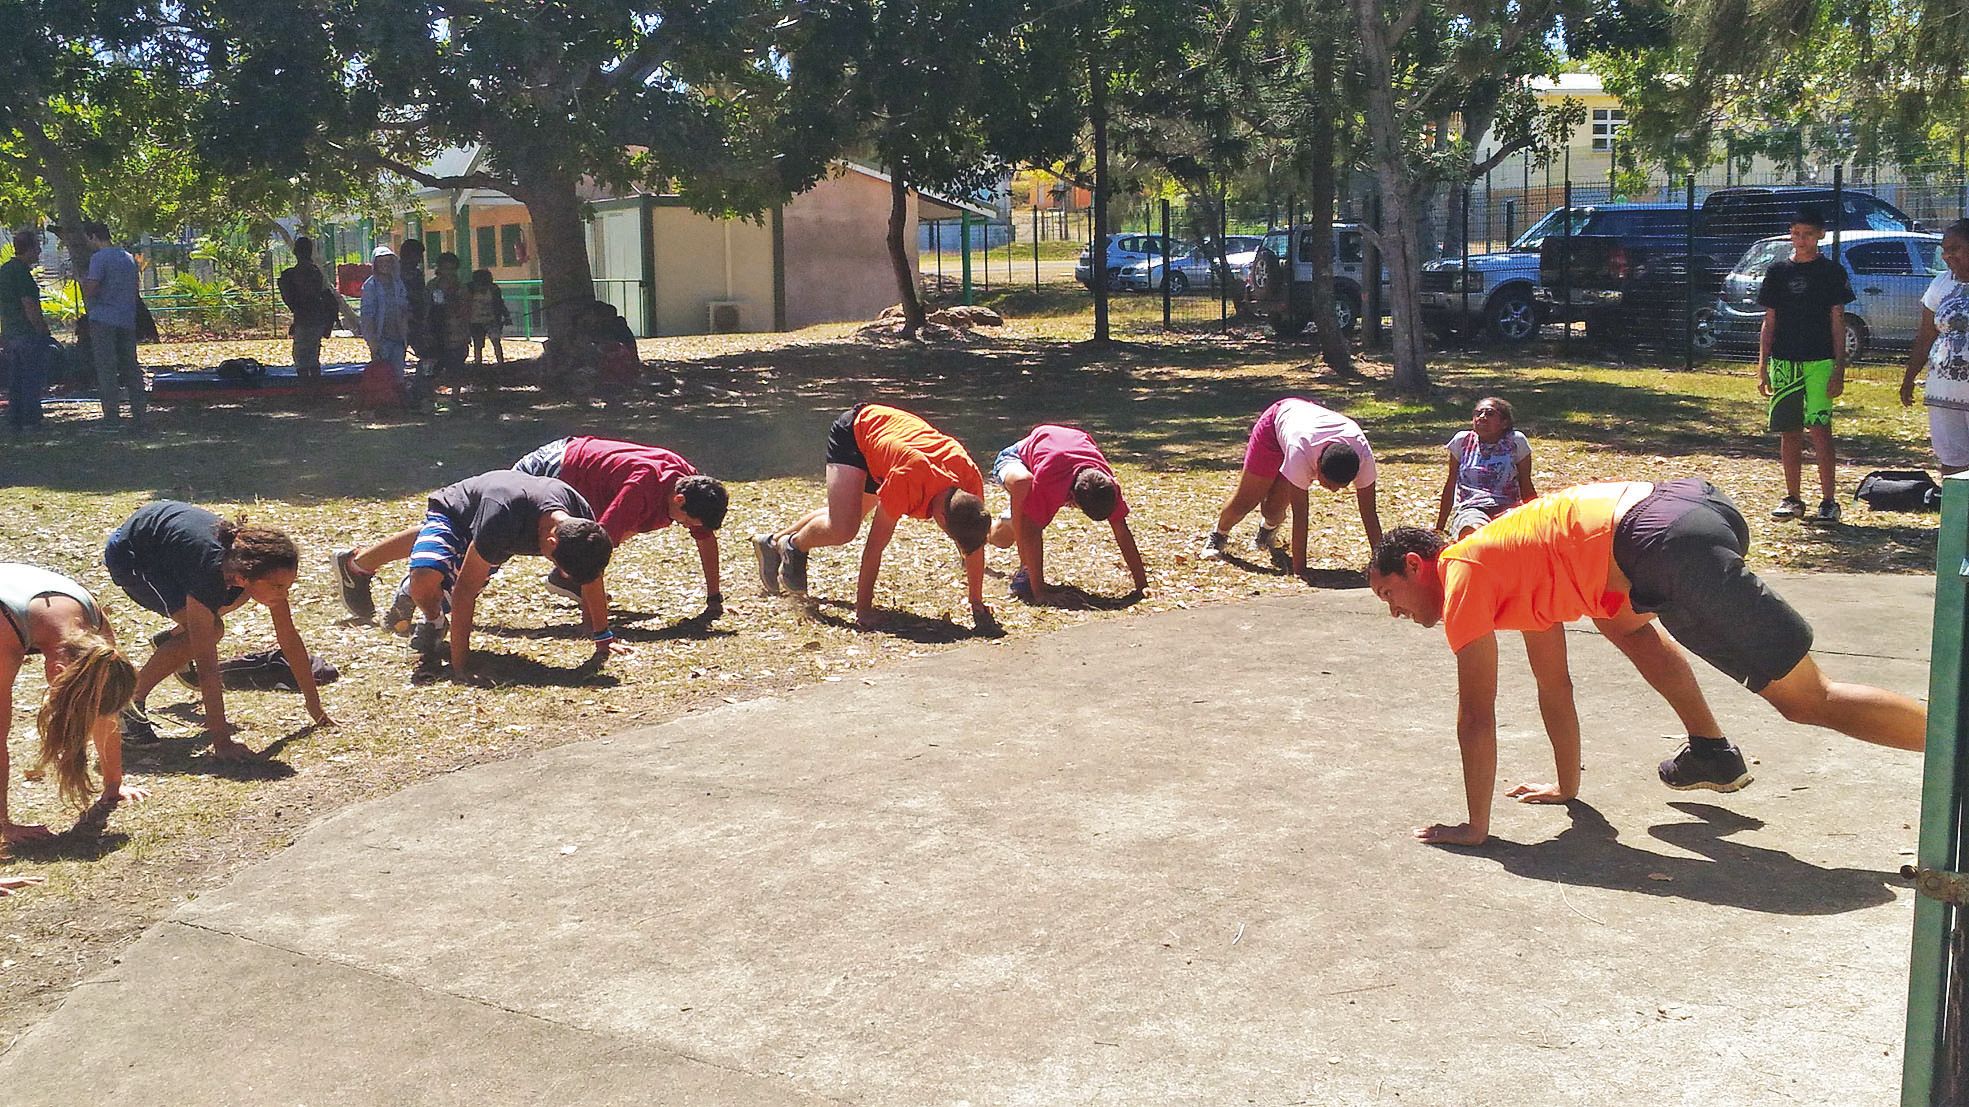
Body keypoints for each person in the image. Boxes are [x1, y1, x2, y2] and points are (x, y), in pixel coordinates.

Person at [1365, 480, 1926, 848]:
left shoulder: (1463, 574)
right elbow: (1554, 686)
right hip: (1685, 513)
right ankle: (1711, 751)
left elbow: (1475, 716)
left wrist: (1475, 827)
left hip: (1660, 539)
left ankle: (1952, 749)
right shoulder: (1512, 565)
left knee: (1808, 700)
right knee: (1630, 629)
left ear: (1415, 566)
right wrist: (1565, 787)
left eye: (1389, 594)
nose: (1394, 612)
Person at [332, 471, 616, 683]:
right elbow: (465, 591)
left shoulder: (582, 523)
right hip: (456, 514)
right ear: (551, 543)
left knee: (438, 575)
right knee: (425, 575)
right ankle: (433, 619)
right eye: (556, 563)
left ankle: (403, 581)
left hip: (493, 527)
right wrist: (461, 665)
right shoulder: (503, 518)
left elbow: (592, 577)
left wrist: (603, 637)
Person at [105, 502, 333, 758]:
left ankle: (175, 642)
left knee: (211, 620)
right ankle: (128, 704)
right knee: (211, 630)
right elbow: (207, 669)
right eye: (278, 587)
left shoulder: (250, 566)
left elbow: (288, 637)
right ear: (244, 577)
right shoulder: (211, 572)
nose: (284, 594)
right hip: (133, 553)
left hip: (171, 547)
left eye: (287, 586)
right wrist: (222, 742)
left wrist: (314, 705)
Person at [751, 402, 995, 631]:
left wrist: (976, 602)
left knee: (846, 513)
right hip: (856, 434)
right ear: (941, 517)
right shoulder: (908, 479)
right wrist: (864, 611)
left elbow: (973, 544)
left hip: (887, 447)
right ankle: (792, 546)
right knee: (843, 529)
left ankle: (770, 543)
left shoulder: (969, 480)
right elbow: (875, 547)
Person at [495, 435, 727, 615]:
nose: (687, 526)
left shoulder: (689, 484)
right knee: (504, 533)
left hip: (585, 480)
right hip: (551, 467)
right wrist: (597, 627)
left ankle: (566, 577)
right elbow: (595, 547)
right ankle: (474, 583)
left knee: (615, 531)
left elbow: (705, 537)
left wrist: (714, 599)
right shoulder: (640, 489)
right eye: (687, 521)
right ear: (679, 500)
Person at [0, 564, 148, 845]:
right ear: (57, 671)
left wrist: (113, 785)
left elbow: (106, 711)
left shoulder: (99, 641)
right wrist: (3, 825)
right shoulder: (5, 635)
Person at [1200, 396, 1383, 573]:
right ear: (1317, 465)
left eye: (1341, 486)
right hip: (1274, 429)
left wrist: (1382, 566)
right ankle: (1219, 535)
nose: (1334, 491)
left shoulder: (1363, 456)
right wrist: (1300, 571)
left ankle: (1266, 531)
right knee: (1245, 501)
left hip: (1303, 427)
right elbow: (1300, 514)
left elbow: (1369, 512)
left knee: (1272, 510)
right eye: (1328, 484)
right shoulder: (1300, 452)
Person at [1757, 207, 1855, 524]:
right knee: (1789, 430)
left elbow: (1837, 321)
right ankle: (1793, 498)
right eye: (1796, 234)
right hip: (1784, 361)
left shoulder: (1831, 272)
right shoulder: (1777, 272)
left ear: (1820, 235)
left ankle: (1828, 501)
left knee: (1820, 428)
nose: (1802, 240)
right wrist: (1763, 365)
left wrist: (1839, 368)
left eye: (1808, 234)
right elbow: (1769, 321)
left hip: (1820, 361)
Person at [984, 423, 1148, 602]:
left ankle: (986, 533)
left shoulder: (1105, 483)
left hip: (1051, 460)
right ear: (1072, 499)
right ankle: (1020, 566)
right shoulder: (1052, 476)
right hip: (1017, 460)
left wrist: (1142, 586)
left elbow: (1122, 531)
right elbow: (1031, 531)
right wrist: (1040, 592)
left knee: (1006, 534)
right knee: (1023, 485)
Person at [1902, 218, 1969, 475]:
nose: (1947, 256)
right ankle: (1953, 502)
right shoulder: (1941, 283)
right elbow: (1925, 335)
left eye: (1955, 248)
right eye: (1944, 250)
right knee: (1953, 460)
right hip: (1945, 393)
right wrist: (1909, 378)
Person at [1434, 397, 1537, 539]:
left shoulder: (1516, 441)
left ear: (1504, 423)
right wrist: (1439, 528)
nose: (1482, 417)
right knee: (1475, 532)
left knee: (1510, 535)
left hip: (1507, 507)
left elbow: (1525, 483)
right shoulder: (1462, 441)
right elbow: (1451, 483)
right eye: (1478, 413)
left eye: (1489, 413)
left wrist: (1535, 518)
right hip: (1472, 508)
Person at [80, 222, 145, 433]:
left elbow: (91, 288)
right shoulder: (128, 258)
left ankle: (112, 416)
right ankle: (139, 413)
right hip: (126, 318)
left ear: (93, 237)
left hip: (104, 319)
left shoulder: (99, 258)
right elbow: (135, 288)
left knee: (107, 368)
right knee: (130, 366)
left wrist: (82, 280)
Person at [1, 229, 55, 435]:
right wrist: (41, 328)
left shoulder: (4, 271)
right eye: (37, 247)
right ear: (29, 249)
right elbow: (28, 304)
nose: (39, 252)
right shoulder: (21, 273)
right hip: (26, 333)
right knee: (31, 378)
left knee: (15, 380)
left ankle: (15, 419)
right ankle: (31, 420)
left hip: (10, 332)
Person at [277, 236, 341, 384]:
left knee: (301, 355)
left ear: (295, 252)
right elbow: (328, 296)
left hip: (305, 317)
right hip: (317, 317)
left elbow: (292, 299)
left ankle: (306, 387)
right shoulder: (315, 272)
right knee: (312, 353)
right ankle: (314, 386)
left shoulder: (292, 274)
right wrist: (331, 319)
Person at [424, 252, 472, 408]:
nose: (448, 272)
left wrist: (466, 332)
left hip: (457, 333)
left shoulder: (461, 288)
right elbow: (426, 309)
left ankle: (455, 397)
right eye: (445, 268)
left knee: (456, 367)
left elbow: (466, 311)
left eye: (452, 269)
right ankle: (431, 398)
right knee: (433, 367)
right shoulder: (432, 286)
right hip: (435, 332)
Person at [360, 245, 410, 392]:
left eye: (388, 261)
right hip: (380, 338)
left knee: (398, 374)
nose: (385, 265)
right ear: (375, 264)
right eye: (381, 262)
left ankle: (398, 401)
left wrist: (405, 332)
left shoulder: (398, 283)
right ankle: (382, 401)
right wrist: (372, 341)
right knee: (382, 374)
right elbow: (367, 315)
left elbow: (403, 307)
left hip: (398, 337)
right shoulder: (370, 286)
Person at [467, 268, 511, 368]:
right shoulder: (469, 290)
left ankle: (501, 363)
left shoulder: (494, 289)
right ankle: (478, 364)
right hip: (475, 321)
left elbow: (500, 303)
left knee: (496, 341)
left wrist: (506, 316)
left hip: (492, 320)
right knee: (478, 344)